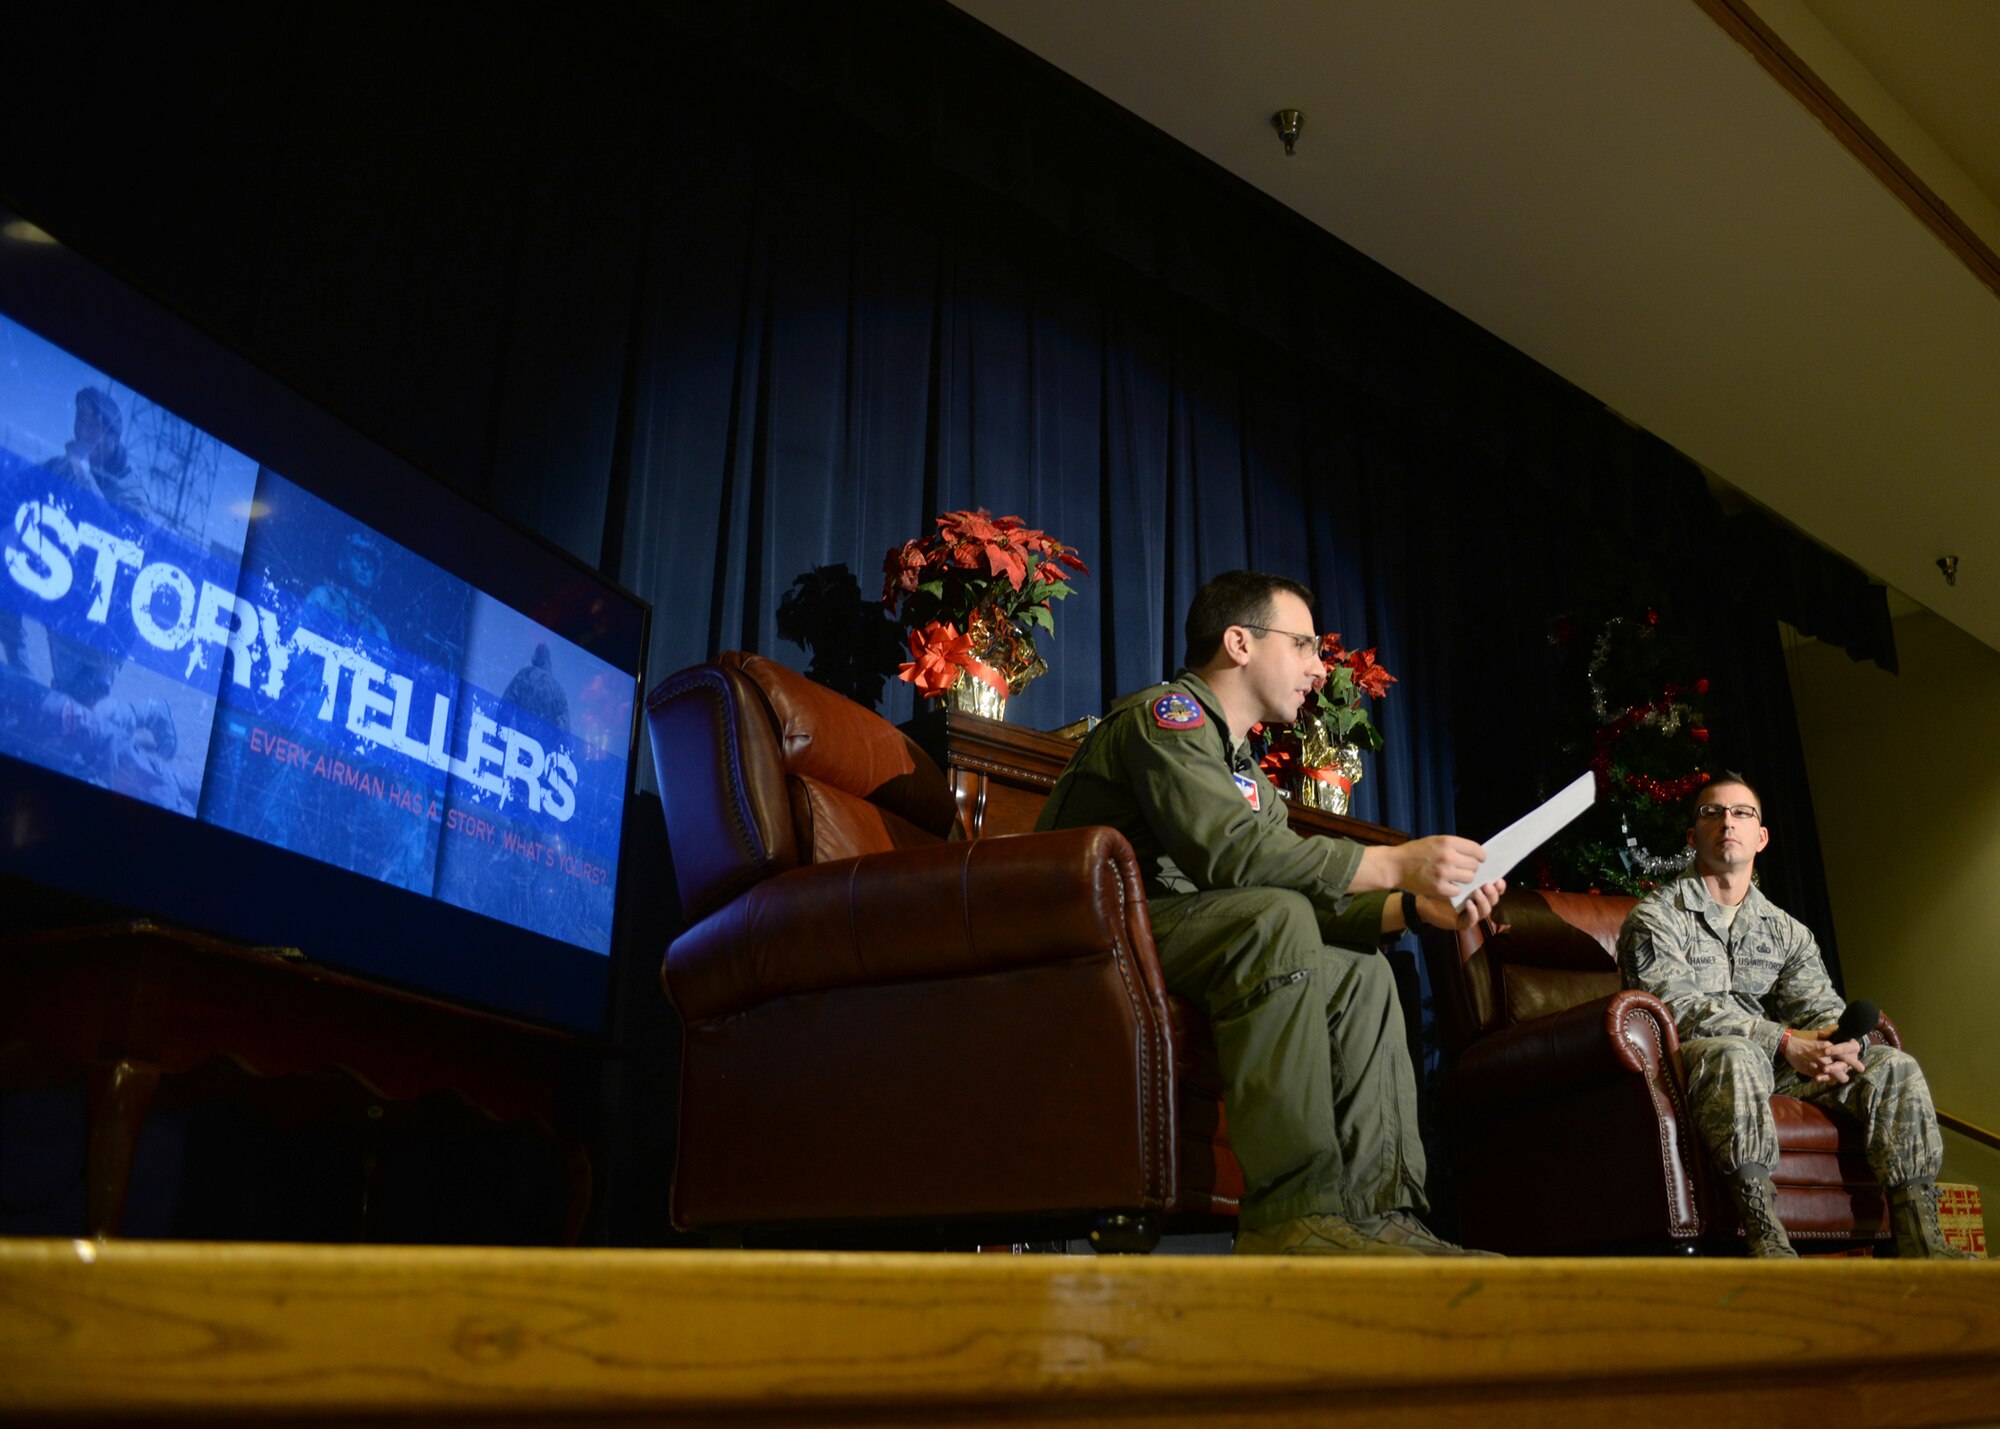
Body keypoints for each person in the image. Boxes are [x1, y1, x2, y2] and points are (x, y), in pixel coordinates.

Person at [1035, 570, 1505, 1257]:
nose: (1319, 668)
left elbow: (1292, 882)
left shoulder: (1243, 769)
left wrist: (1413, 906)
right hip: (1095, 938)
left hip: (1177, 936)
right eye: (1304, 645)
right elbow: (1235, 856)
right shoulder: (1164, 718)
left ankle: (1378, 1217)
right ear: (1239, 643)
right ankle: (1290, 1217)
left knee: (1362, 973)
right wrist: (1394, 863)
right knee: (1272, 919)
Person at [1617, 775, 1973, 1259]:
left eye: (1742, 813)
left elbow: (1819, 1007)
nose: (1727, 822)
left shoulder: (1787, 932)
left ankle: (1921, 1240)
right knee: (1736, 1054)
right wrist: (1784, 1041)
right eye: (1712, 813)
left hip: (1781, 1069)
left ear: (1761, 837)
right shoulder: (1656, 918)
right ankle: (1765, 1235)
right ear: (1692, 836)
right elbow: (1677, 1009)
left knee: (1893, 1067)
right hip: (1700, 1067)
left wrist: (1840, 1043)